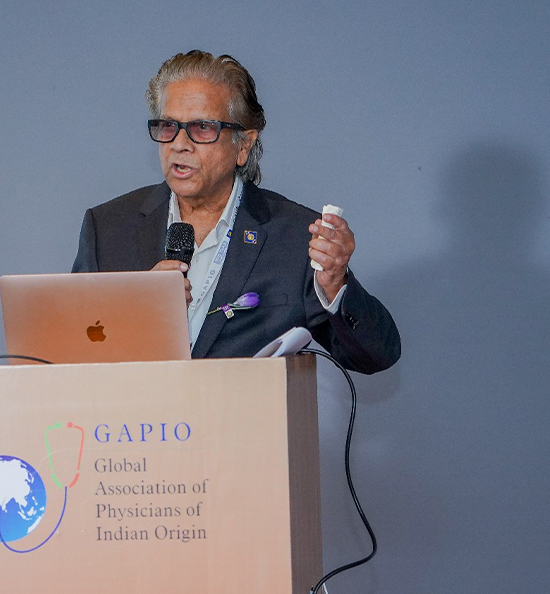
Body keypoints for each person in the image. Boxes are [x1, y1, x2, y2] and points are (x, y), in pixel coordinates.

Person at [72, 50, 400, 374]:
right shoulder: (108, 228)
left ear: (243, 145)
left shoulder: (294, 238)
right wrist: (131, 313)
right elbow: (65, 352)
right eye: (168, 126)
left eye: (202, 128)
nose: (179, 144)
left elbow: (375, 356)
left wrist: (335, 283)